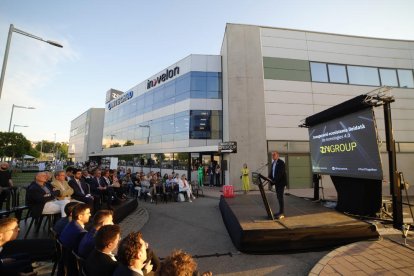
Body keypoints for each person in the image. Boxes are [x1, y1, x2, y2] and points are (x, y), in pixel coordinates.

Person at [268, 151, 287, 219]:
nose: (273, 156)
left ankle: (282, 213)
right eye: (272, 155)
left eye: (274, 155)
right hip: (276, 183)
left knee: (280, 197)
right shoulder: (273, 163)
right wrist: (268, 178)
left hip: (281, 183)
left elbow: (280, 174)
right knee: (278, 197)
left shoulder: (281, 163)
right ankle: (280, 212)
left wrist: (274, 180)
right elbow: (272, 173)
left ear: (278, 155)